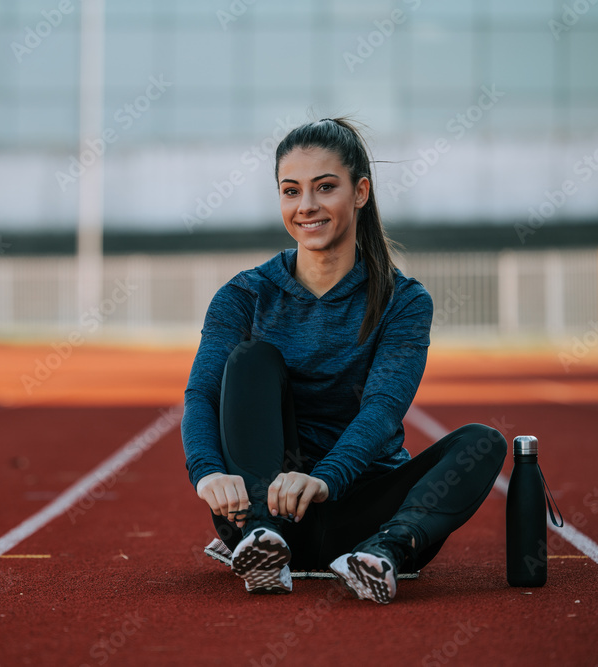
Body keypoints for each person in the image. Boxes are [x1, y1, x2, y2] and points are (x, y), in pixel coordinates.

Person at [181, 118, 506, 602]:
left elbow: (381, 409)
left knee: (483, 443)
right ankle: (263, 544)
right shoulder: (245, 293)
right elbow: (203, 392)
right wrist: (207, 472)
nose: (306, 206)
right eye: (291, 191)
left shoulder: (404, 301)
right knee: (251, 359)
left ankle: (384, 555)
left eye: (325, 187)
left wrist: (323, 479)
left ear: (360, 192)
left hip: (357, 515)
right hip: (264, 509)